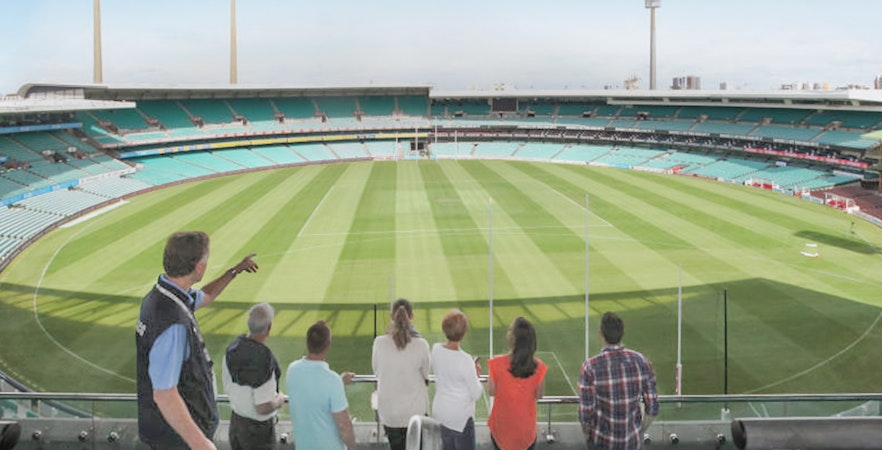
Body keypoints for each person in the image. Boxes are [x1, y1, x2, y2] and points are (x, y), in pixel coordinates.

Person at [136, 231, 259, 450]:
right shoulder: (173, 323)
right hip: (177, 441)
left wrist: (234, 271)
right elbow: (164, 394)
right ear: (199, 267)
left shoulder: (165, 295)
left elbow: (206, 295)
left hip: (172, 435)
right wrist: (201, 444)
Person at [579, 312, 659, 450]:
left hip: (601, 442)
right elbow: (653, 407)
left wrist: (588, 438)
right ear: (623, 333)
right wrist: (639, 432)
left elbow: (586, 414)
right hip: (632, 441)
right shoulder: (641, 361)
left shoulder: (590, 367)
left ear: (601, 334)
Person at [222, 303, 286, 450]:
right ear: (269, 327)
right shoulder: (265, 360)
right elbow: (262, 407)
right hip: (259, 432)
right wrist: (279, 400)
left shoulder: (231, 350)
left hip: (236, 424)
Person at [286, 320, 356, 450]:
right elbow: (344, 426)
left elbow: (311, 388)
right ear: (328, 345)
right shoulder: (332, 380)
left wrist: (338, 382)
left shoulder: (292, 370)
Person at [372, 298, 431, 450]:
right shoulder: (421, 345)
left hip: (390, 413)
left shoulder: (379, 342)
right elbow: (426, 374)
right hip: (415, 413)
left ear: (392, 316)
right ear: (411, 316)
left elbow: (377, 371)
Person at [487, 317, 547, 450]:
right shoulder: (539, 366)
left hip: (501, 429)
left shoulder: (496, 364)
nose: (507, 333)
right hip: (526, 430)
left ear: (514, 338)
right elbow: (539, 395)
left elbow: (491, 391)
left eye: (510, 330)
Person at [431, 309, 483, 450]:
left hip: (440, 414)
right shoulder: (465, 360)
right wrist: (476, 375)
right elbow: (476, 393)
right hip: (460, 420)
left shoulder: (435, 350)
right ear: (464, 333)